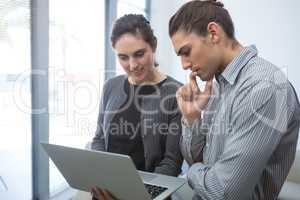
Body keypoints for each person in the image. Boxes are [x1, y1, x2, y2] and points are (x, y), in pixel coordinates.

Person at [168, 0, 300, 199]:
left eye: (186, 52)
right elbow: (200, 158)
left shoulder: (264, 88)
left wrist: (192, 171)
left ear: (213, 33)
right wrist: (192, 118)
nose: (185, 64)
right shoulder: (219, 84)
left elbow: (224, 192)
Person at [90, 14, 183, 199]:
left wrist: (135, 195)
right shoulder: (111, 86)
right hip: (106, 193)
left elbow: (171, 163)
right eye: (123, 57)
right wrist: (100, 178)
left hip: (148, 195)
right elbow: (99, 139)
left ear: (153, 46)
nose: (132, 65)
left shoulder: (176, 93)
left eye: (139, 54)